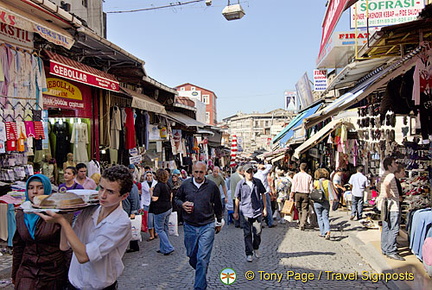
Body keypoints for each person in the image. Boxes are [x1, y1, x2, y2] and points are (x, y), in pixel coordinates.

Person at [37, 165, 133, 289]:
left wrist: (62, 221)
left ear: (124, 196)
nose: (102, 195)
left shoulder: (121, 222)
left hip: (100, 287)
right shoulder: (90, 210)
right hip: (74, 284)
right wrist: (67, 214)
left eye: (110, 192)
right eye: (101, 188)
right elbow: (64, 245)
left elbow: (84, 256)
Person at [12, 174, 70, 289]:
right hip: (27, 270)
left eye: (40, 187)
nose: (35, 192)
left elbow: (68, 248)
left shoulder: (57, 213)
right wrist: (15, 273)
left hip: (53, 271)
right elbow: (18, 246)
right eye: (31, 188)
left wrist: (70, 277)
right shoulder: (22, 213)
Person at [175, 161, 223, 290]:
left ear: (205, 172)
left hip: (207, 225)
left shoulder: (212, 186)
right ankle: (201, 267)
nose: (198, 175)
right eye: (196, 172)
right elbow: (176, 199)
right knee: (192, 255)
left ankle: (199, 287)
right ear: (192, 172)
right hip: (189, 225)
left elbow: (218, 205)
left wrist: (219, 221)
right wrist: (182, 204)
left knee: (202, 258)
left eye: (201, 172)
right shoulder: (185, 185)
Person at [233, 163, 267, 262]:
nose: (250, 174)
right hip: (245, 212)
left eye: (251, 171)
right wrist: (236, 211)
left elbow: (263, 194)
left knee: (258, 232)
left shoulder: (258, 182)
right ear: (244, 173)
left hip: (256, 211)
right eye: (248, 172)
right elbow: (237, 198)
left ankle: (256, 247)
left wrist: (264, 208)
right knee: (247, 233)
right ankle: (249, 253)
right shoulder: (241, 184)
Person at [379, 156, 405, 261]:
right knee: (393, 229)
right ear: (389, 165)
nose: (396, 165)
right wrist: (389, 194)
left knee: (386, 227)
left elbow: (379, 185)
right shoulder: (390, 175)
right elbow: (386, 184)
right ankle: (391, 251)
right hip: (392, 206)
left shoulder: (384, 174)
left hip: (385, 206)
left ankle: (385, 248)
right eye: (394, 163)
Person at [151, 168, 175, 255]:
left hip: (160, 210)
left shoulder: (158, 186)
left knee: (159, 229)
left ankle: (168, 247)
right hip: (168, 207)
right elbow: (171, 196)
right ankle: (163, 248)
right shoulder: (167, 184)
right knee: (165, 228)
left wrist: (151, 192)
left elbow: (155, 198)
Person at [313, 168, 337, 240]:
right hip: (325, 201)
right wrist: (334, 200)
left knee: (319, 217)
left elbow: (313, 191)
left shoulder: (316, 182)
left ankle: (322, 232)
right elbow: (331, 193)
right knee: (325, 217)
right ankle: (328, 231)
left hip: (317, 201)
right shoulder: (328, 182)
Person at [290, 163, 313, 231]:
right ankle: (302, 223)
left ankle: (301, 222)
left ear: (300, 168)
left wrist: (292, 194)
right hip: (306, 193)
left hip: (297, 193)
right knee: (305, 209)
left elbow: (293, 186)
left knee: (299, 208)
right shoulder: (309, 176)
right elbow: (311, 187)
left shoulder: (296, 176)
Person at [254, 164, 275, 228]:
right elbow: (270, 166)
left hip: (257, 194)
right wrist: (263, 166)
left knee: (259, 209)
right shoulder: (263, 173)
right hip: (265, 193)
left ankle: (260, 223)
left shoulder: (255, 175)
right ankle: (270, 222)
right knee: (268, 208)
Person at [123, 182, 140, 253]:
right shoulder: (131, 186)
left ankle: (134, 246)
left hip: (128, 210)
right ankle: (133, 245)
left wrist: (133, 212)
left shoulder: (131, 186)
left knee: (132, 227)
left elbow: (134, 199)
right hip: (127, 209)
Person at [141, 171, 158, 241]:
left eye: (150, 175)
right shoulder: (143, 184)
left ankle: (156, 232)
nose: (149, 177)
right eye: (147, 175)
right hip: (146, 203)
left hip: (154, 203)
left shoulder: (156, 183)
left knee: (155, 218)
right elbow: (142, 195)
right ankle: (151, 235)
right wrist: (141, 206)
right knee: (149, 220)